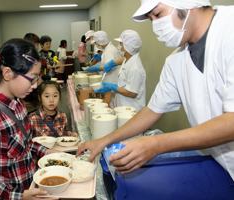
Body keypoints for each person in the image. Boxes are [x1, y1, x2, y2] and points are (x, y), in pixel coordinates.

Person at [78, 0, 234, 182]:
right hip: (223, 168)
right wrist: (104, 140)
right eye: (151, 19)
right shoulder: (176, 60)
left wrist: (156, 144)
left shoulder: (229, 31)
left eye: (158, 14)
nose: (156, 27)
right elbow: (152, 110)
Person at [0, 38, 56, 200]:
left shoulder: (17, 104)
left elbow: (26, 145)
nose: (36, 85)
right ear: (7, 73)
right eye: (32, 78)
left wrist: (49, 152)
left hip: (28, 186)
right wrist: (18, 196)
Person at [94, 30, 146, 111]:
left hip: (131, 109)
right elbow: (121, 61)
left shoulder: (135, 68)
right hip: (123, 106)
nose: (119, 47)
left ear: (128, 46)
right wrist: (112, 63)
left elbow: (132, 93)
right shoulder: (128, 59)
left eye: (121, 44)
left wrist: (112, 87)